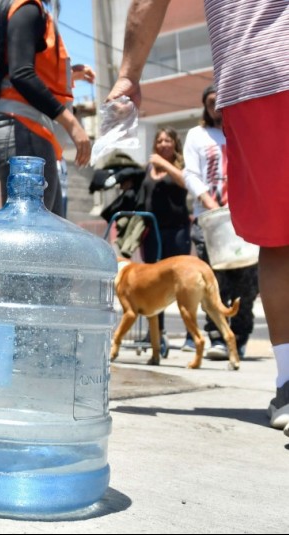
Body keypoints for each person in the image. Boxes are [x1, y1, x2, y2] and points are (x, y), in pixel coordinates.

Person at [106, 0, 289, 435]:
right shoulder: (191, 142)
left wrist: (129, 72)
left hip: (256, 67)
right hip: (184, 220)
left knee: (280, 241)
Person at [0, 0, 92, 216]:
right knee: (34, 236)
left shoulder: (33, 11)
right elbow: (21, 74)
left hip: (26, 133)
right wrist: (72, 124)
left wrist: (71, 73)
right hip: (24, 133)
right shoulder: (28, 8)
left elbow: (26, 69)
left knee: (48, 234)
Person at [180, 86, 258, 360]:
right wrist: (209, 201)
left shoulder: (242, 131)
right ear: (205, 106)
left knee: (247, 282)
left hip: (244, 217)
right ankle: (217, 336)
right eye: (211, 102)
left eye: (220, 101)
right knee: (214, 280)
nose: (216, 106)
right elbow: (189, 173)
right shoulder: (197, 135)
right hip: (211, 220)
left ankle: (240, 335)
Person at [139, 127, 190, 353]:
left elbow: (185, 183)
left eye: (167, 140)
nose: (162, 144)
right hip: (152, 233)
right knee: (153, 285)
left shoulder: (181, 167)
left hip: (176, 232)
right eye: (159, 141)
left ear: (175, 144)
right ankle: (155, 333)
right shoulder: (148, 169)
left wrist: (165, 164)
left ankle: (191, 335)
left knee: (182, 285)